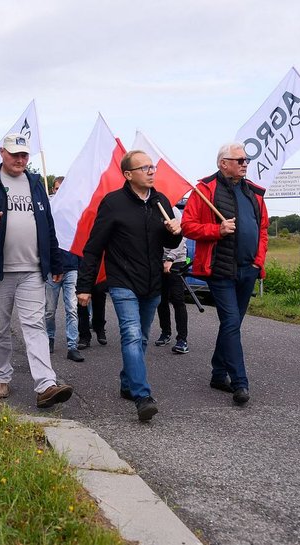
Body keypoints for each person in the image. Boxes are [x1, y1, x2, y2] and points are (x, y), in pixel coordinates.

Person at [0, 134, 73, 408]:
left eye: (24, 155)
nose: (20, 160)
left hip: (32, 269)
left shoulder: (35, 183)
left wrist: (56, 263)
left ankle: (46, 384)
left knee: (35, 325)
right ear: (1, 153)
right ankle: (1, 378)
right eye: (14, 154)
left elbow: (48, 226)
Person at [77, 149, 182, 421]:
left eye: (152, 167)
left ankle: (127, 382)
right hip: (123, 281)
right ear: (128, 174)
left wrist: (175, 233)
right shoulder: (113, 203)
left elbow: (168, 243)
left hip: (152, 282)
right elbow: (94, 247)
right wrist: (85, 286)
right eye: (144, 168)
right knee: (132, 335)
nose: (151, 171)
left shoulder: (161, 202)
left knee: (143, 337)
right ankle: (142, 396)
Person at [181, 142, 268, 406]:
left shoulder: (254, 192)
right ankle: (240, 382)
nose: (244, 163)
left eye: (246, 160)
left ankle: (218, 373)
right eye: (239, 159)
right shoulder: (205, 190)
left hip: (247, 269)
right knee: (231, 322)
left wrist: (257, 262)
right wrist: (215, 231)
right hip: (220, 270)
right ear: (223, 163)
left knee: (232, 324)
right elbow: (187, 226)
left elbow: (263, 229)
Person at [46, 177, 83, 362]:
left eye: (62, 189)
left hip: (71, 268)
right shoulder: (49, 210)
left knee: (72, 309)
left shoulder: (74, 211)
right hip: (53, 269)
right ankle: (49, 339)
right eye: (56, 189)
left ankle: (72, 346)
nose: (58, 192)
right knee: (50, 310)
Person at [154, 198, 190, 354]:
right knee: (161, 300)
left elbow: (182, 236)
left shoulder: (174, 210)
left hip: (176, 260)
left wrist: (170, 258)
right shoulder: (153, 210)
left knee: (177, 299)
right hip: (159, 260)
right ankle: (165, 332)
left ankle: (182, 339)